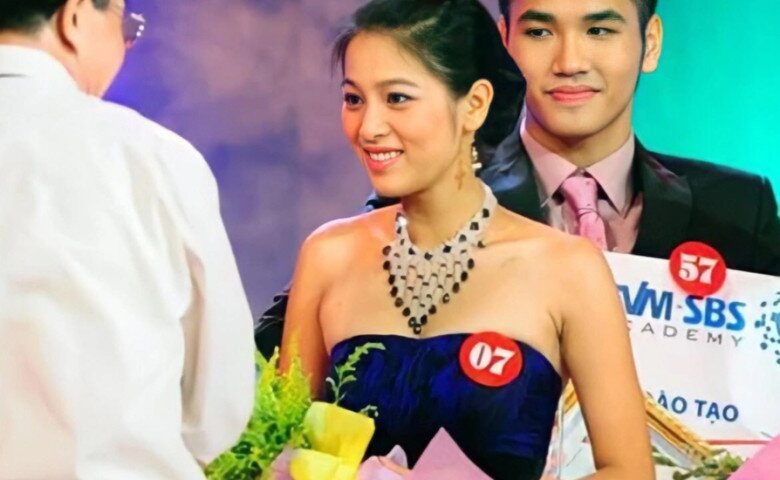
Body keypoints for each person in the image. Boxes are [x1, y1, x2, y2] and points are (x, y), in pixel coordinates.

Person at [255, 0, 780, 357]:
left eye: (599, 30)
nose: (570, 61)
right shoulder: (433, 194)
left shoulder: (739, 208)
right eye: (539, 31)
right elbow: (271, 373)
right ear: (505, 41)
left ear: (651, 41)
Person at [279, 1, 653, 479]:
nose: (368, 127)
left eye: (397, 98)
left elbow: (629, 471)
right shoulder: (327, 255)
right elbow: (282, 447)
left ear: (474, 104)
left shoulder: (567, 267)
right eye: (354, 99)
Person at [0, 1, 255, 478]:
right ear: (75, 16)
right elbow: (217, 410)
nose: (124, 44)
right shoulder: (151, 157)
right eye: (123, 23)